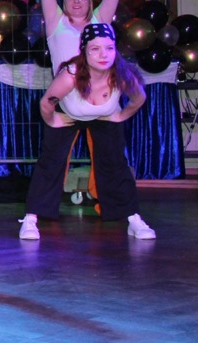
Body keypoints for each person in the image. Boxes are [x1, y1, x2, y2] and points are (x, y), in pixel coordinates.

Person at [25, 0, 139, 221]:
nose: (76, 1)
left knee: (113, 160)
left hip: (101, 104)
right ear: (64, 2)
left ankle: (129, 215)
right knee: (51, 160)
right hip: (67, 103)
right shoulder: (56, 22)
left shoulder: (100, 21)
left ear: (91, 1)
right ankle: (34, 216)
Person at [19, 23, 155, 241]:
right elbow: (46, 103)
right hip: (69, 113)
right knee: (51, 162)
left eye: (109, 48)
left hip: (104, 116)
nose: (103, 55)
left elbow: (139, 98)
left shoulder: (121, 74)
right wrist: (53, 120)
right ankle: (30, 219)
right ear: (84, 51)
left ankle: (133, 218)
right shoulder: (70, 75)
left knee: (115, 163)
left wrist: (121, 116)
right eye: (95, 49)